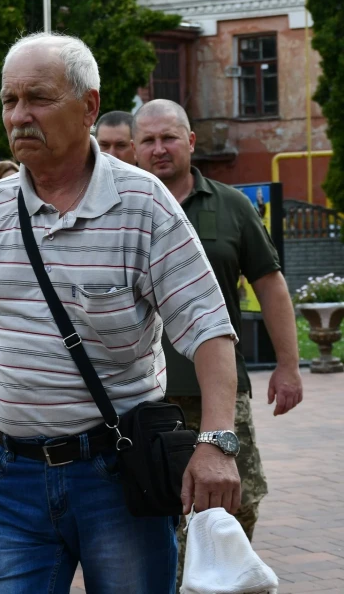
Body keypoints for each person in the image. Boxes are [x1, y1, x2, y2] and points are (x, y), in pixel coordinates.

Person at [0, 32, 242, 593]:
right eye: (9, 101)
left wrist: (216, 442)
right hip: (11, 477)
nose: (19, 116)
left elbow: (209, 329)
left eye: (38, 98)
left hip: (117, 476)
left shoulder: (143, 204)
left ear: (89, 106)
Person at [133, 98, 304, 586]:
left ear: (190, 141)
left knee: (238, 501)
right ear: (135, 150)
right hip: (144, 397)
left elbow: (270, 285)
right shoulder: (121, 208)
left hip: (219, 392)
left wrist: (288, 365)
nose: (159, 149)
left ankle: (224, 580)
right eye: (148, 140)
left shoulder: (232, 206)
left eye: (169, 138)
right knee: (147, 511)